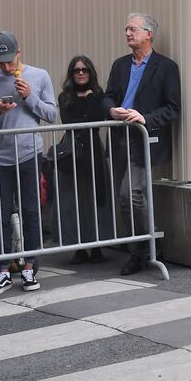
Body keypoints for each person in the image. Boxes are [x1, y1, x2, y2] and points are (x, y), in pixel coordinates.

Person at [0, 31, 57, 294]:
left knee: (31, 211)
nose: (6, 67)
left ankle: (29, 267)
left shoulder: (39, 75)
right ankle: (3, 270)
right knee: (0, 214)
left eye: (10, 61)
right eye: (1, 62)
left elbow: (52, 115)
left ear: (19, 53)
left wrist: (29, 97)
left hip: (29, 153)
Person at [104, 13, 181, 275]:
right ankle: (143, 248)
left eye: (133, 29)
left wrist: (144, 118)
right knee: (126, 198)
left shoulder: (166, 67)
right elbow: (108, 97)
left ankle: (146, 249)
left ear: (149, 34)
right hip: (118, 136)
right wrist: (112, 110)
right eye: (126, 28)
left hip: (143, 137)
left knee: (130, 193)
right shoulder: (120, 65)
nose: (127, 33)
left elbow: (173, 108)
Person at [57, 55, 110, 264]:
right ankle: (77, 246)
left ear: (90, 73)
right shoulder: (65, 96)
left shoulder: (98, 94)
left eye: (84, 70)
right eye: (76, 70)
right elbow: (70, 121)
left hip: (92, 148)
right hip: (71, 149)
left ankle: (97, 245)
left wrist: (89, 99)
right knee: (73, 199)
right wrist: (87, 104)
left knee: (95, 196)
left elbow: (96, 121)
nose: (80, 73)